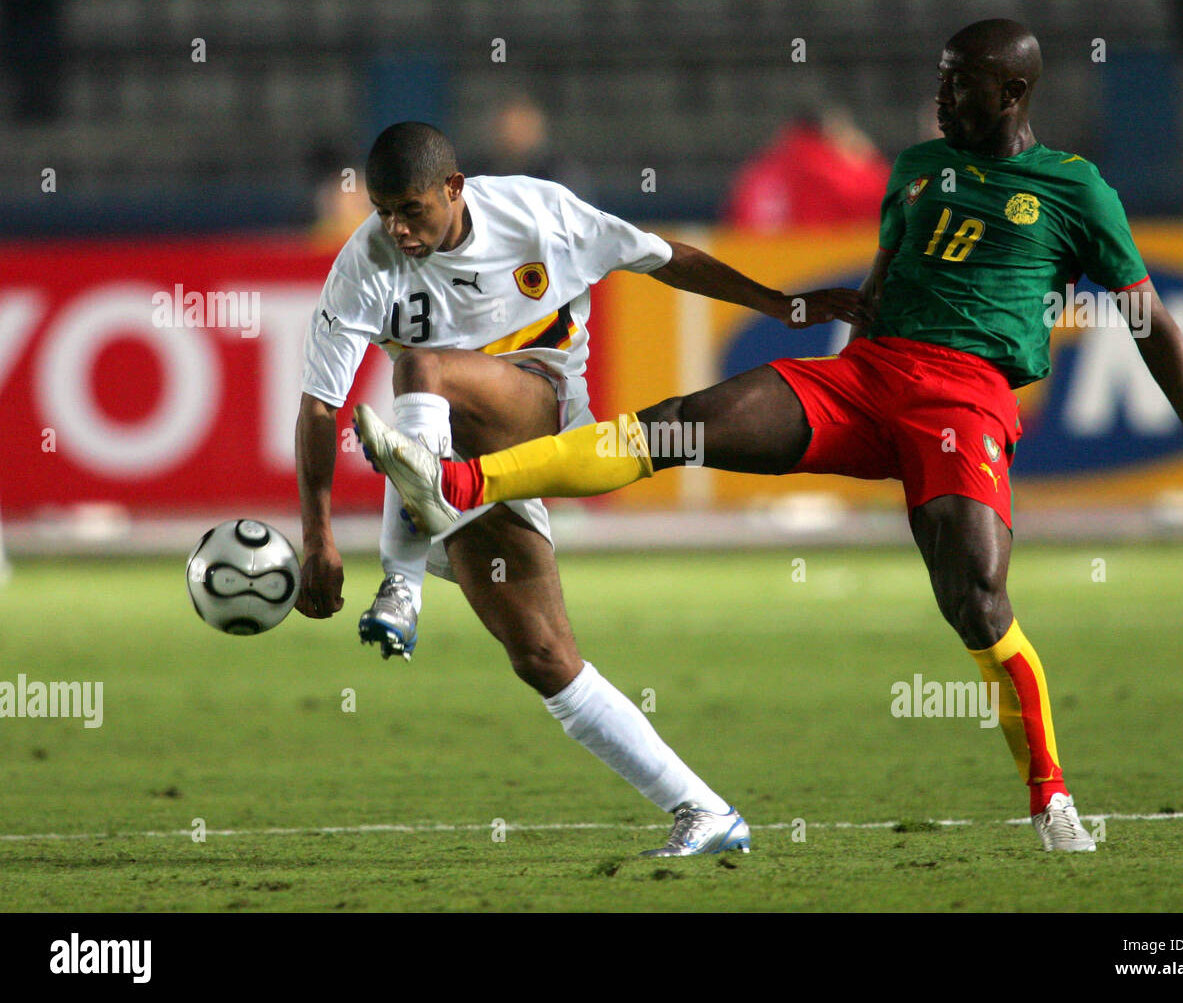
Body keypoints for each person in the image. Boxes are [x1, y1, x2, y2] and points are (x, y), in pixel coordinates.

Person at [354, 21, 1183, 853]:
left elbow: (1152, 324)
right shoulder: (913, 169)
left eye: (961, 84)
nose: (942, 97)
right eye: (942, 80)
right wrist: (840, 380)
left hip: (963, 400)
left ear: (1013, 96)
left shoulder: (1075, 188)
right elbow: (878, 288)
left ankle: (1051, 797)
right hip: (867, 377)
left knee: (979, 604)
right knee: (680, 426)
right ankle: (462, 487)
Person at [294, 121, 859, 856]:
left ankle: (402, 581)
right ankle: (705, 810)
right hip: (463, 456)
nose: (397, 228)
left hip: (544, 411)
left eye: (411, 209)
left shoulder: (539, 213)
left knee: (420, 368)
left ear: (455, 188)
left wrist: (778, 305)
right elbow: (317, 406)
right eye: (383, 211)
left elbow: (664, 257)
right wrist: (315, 535)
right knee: (542, 655)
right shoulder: (364, 261)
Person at [723, 106, 892, 231]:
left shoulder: (758, 171)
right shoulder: (829, 167)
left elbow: (733, 219)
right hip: (815, 265)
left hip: (755, 263)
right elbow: (885, 202)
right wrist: (867, 157)